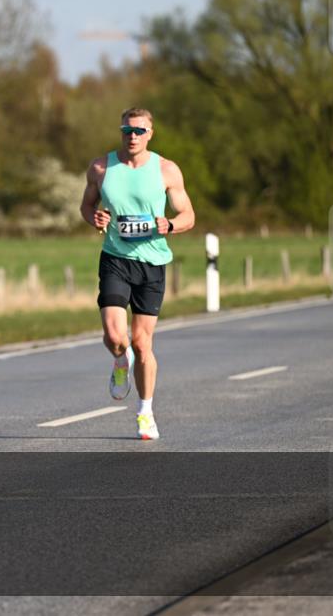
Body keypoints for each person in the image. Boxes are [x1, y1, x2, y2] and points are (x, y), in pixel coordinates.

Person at [79, 107, 195, 440]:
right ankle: (119, 360)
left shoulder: (166, 170)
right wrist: (95, 219)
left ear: (150, 134)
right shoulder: (101, 168)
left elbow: (188, 214)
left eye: (139, 131)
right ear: (121, 132)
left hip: (153, 263)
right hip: (115, 258)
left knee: (143, 343)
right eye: (127, 130)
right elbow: (87, 206)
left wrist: (170, 224)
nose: (132, 136)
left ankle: (145, 412)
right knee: (117, 337)